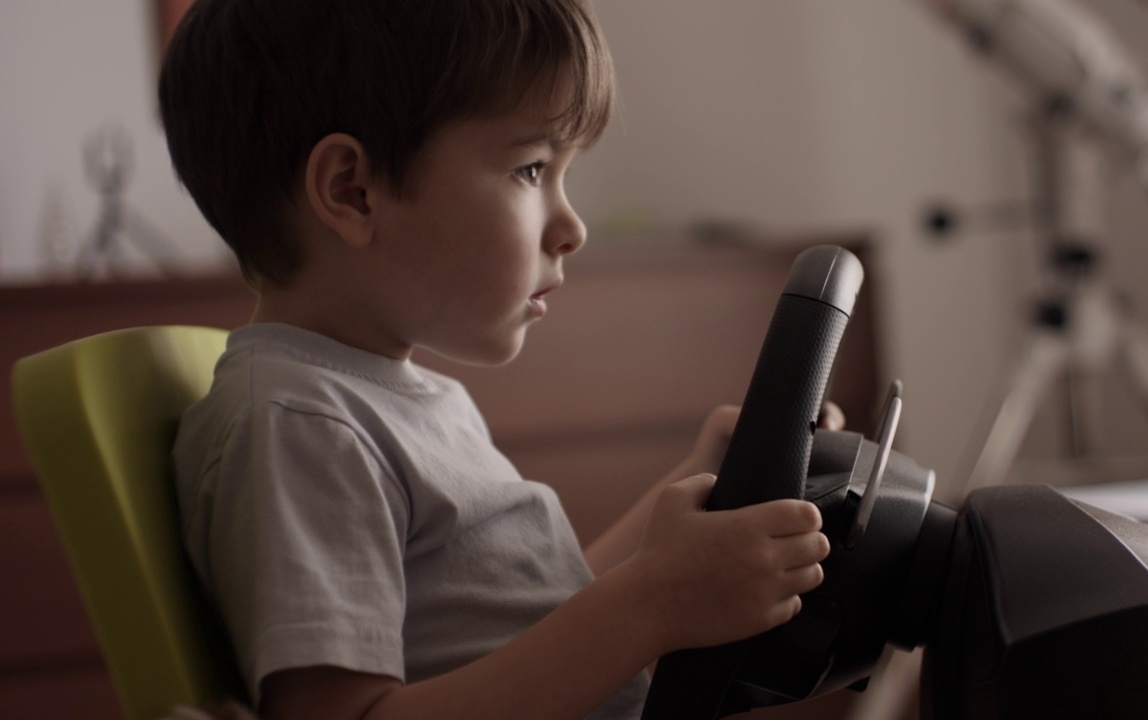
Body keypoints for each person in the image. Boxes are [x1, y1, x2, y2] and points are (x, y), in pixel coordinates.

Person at [161, 1, 834, 719]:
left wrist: (696, 485)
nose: (572, 227)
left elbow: (538, 626)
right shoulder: (300, 427)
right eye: (531, 168)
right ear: (351, 192)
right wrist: (652, 604)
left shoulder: (396, 398)